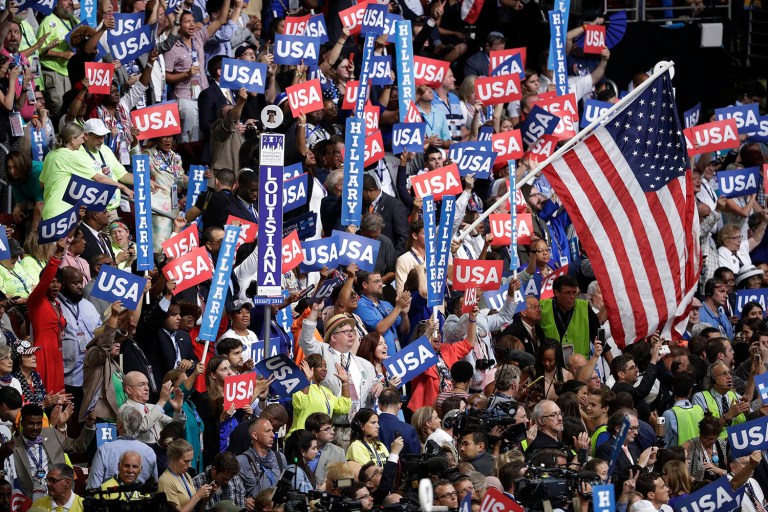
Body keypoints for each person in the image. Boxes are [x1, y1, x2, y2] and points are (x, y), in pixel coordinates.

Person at [13, 403, 95, 500]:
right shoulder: (13, 446)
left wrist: (89, 425)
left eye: (38, 423)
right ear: (22, 423)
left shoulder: (51, 433)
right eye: (31, 423)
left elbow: (78, 447)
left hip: (59, 496)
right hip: (30, 500)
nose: (35, 428)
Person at [408, 310, 478, 412]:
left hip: (449, 406)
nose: (438, 336)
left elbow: (469, 343)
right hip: (427, 411)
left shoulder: (446, 348)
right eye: (433, 333)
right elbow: (418, 351)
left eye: (438, 333)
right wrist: (428, 332)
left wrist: (472, 318)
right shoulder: (416, 358)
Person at [87, 406, 158, 488]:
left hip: (110, 499)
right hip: (142, 499)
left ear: (120, 425)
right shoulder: (149, 451)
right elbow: (154, 485)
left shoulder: (104, 450)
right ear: (139, 426)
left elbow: (93, 487)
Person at [292, 354, 351, 433]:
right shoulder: (299, 387)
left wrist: (345, 383)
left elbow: (344, 408)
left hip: (320, 440)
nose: (324, 369)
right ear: (309, 368)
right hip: (301, 439)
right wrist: (307, 379)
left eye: (325, 366)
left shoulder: (326, 391)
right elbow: (300, 404)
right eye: (320, 366)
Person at [158, 439, 213, 511]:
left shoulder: (186, 475)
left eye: (191, 460)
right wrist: (198, 495)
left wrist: (205, 498)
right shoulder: (165, 481)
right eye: (186, 461)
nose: (190, 465)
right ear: (174, 458)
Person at [237, 418, 287, 498]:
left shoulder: (280, 458)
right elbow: (235, 494)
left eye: (272, 431)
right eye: (267, 431)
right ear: (255, 435)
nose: (273, 435)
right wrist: (244, 501)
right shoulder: (241, 462)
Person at [376, 387, 420, 455]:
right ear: (399, 405)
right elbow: (415, 459)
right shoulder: (409, 430)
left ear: (379, 405)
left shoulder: (369, 426)